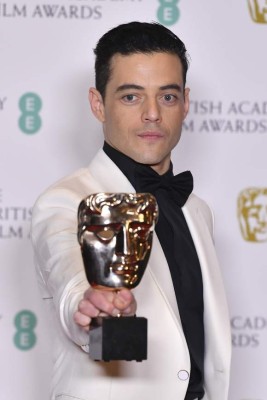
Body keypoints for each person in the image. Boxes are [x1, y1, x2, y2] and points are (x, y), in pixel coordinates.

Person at [31, 21, 231, 400]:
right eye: (131, 97)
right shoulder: (66, 201)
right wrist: (92, 307)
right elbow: (70, 278)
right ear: (97, 104)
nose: (152, 113)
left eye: (167, 97)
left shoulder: (198, 211)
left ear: (186, 103)